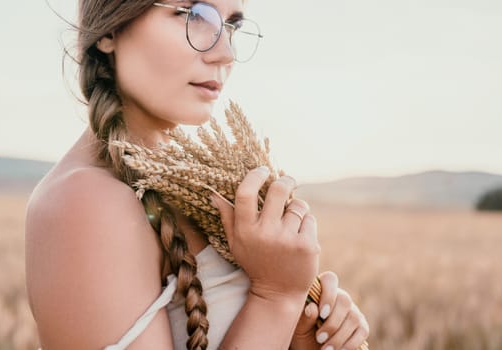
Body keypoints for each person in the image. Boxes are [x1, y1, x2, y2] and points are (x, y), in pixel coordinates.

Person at [25, 0, 370, 349]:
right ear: (109, 29)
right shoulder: (84, 203)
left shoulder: (194, 186)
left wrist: (302, 332)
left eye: (231, 25)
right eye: (193, 14)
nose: (225, 53)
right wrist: (277, 297)